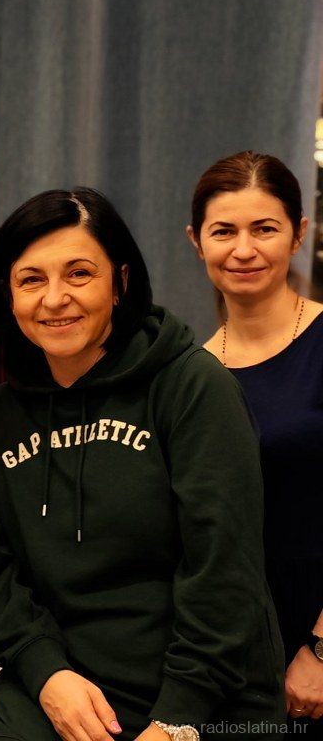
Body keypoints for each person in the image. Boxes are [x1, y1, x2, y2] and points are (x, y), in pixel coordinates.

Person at [0, 187, 286, 741]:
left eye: (79, 273)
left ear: (120, 282)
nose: (55, 299)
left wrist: (177, 719)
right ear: (7, 296)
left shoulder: (193, 387)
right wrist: (46, 673)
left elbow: (225, 572)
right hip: (61, 686)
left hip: (207, 693)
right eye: (31, 280)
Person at [186, 150, 323, 737]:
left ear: (299, 234)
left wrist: (321, 651)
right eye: (224, 231)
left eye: (264, 228)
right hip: (236, 667)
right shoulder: (191, 374)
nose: (243, 250)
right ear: (196, 242)